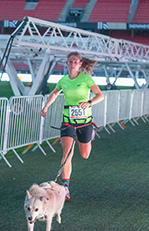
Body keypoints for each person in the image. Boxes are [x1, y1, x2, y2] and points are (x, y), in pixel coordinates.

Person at [41, 52, 104, 200]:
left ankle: (90, 135)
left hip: (85, 121)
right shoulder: (63, 80)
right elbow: (55, 93)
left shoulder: (86, 79)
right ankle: (65, 187)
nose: (73, 63)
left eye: (75, 61)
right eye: (70, 61)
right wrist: (46, 107)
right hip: (68, 120)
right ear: (67, 63)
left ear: (80, 64)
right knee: (67, 152)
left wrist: (89, 103)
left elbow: (100, 95)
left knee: (85, 155)